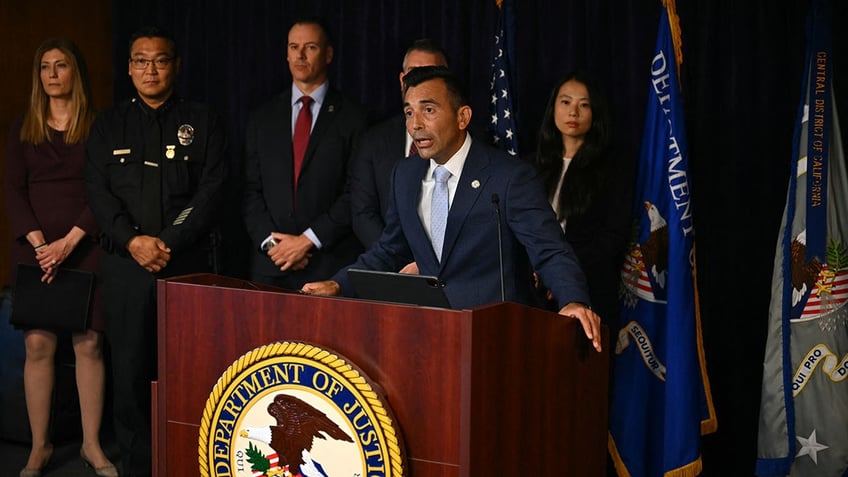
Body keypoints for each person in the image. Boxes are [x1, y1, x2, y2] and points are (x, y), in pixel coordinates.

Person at [303, 66, 603, 352]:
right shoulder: (404, 176)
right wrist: (339, 283)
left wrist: (573, 300)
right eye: (409, 112)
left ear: (463, 117)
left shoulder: (509, 177)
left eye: (428, 110)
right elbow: (389, 250)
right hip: (427, 334)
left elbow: (550, 250)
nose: (415, 123)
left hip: (497, 336)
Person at [85, 27, 228, 477]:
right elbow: (98, 192)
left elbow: (210, 192)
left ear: (176, 65)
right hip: (125, 267)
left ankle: (188, 461)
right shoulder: (108, 124)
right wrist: (132, 240)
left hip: (183, 264)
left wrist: (166, 240)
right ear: (128, 67)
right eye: (141, 61)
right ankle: (138, 466)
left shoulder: (203, 120)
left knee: (187, 370)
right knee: (128, 372)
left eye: (160, 60)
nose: (150, 69)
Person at [4, 39, 117, 477]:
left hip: (83, 247)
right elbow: (13, 191)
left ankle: (91, 446)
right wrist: (40, 247)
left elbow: (105, 191)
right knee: (38, 345)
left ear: (76, 73)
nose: (52, 74)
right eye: (45, 67)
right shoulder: (22, 128)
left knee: (88, 343)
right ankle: (39, 447)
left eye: (61, 65)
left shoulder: (98, 127)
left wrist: (70, 242)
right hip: (36, 252)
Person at [242, 17, 370, 290]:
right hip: (271, 264)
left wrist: (307, 240)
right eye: (293, 47)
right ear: (286, 54)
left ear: (328, 54)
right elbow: (249, 191)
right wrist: (273, 245)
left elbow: (355, 193)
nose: (300, 55)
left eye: (310, 47)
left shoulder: (355, 119)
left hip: (327, 265)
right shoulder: (261, 118)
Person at [531, 71, 632, 326]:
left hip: (590, 290)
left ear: (595, 112)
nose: (573, 112)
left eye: (583, 105)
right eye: (565, 102)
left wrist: (562, 275)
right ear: (553, 107)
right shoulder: (529, 167)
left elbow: (612, 237)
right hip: (532, 292)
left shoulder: (613, 170)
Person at [349, 39, 449, 254]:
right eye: (413, 74)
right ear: (402, 79)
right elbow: (363, 212)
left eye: (429, 73)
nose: (420, 82)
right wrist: (396, 260)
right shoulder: (373, 140)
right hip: (392, 268)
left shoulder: (472, 140)